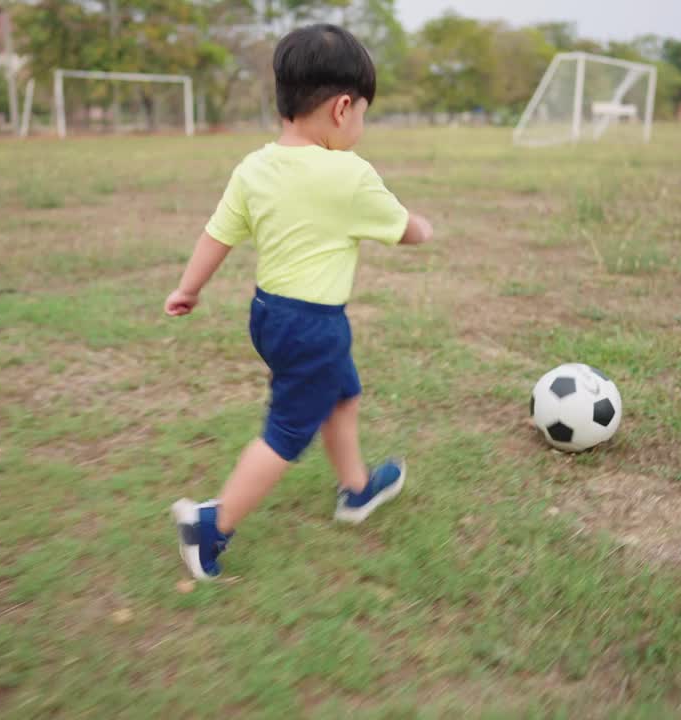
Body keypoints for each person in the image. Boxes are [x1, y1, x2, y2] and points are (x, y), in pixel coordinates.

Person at [165, 24, 434, 581]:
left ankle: (357, 489)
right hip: (314, 326)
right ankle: (211, 526)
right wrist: (422, 227)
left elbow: (218, 234)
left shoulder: (255, 167)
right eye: (363, 113)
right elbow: (406, 230)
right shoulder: (348, 174)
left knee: (343, 396)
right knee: (287, 432)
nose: (360, 126)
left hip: (268, 316)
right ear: (341, 108)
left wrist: (189, 288)